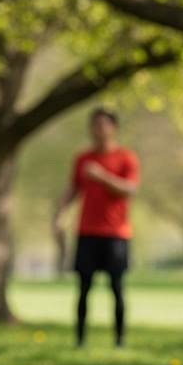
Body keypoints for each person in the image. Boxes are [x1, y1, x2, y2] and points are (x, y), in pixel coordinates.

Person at [52, 108, 140, 347]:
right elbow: (73, 189)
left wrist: (102, 176)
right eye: (94, 125)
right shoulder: (82, 159)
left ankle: (119, 340)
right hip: (87, 232)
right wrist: (60, 212)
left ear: (113, 128)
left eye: (102, 124)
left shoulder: (126, 158)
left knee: (117, 288)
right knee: (83, 288)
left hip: (116, 233)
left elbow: (130, 189)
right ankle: (80, 340)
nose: (98, 129)